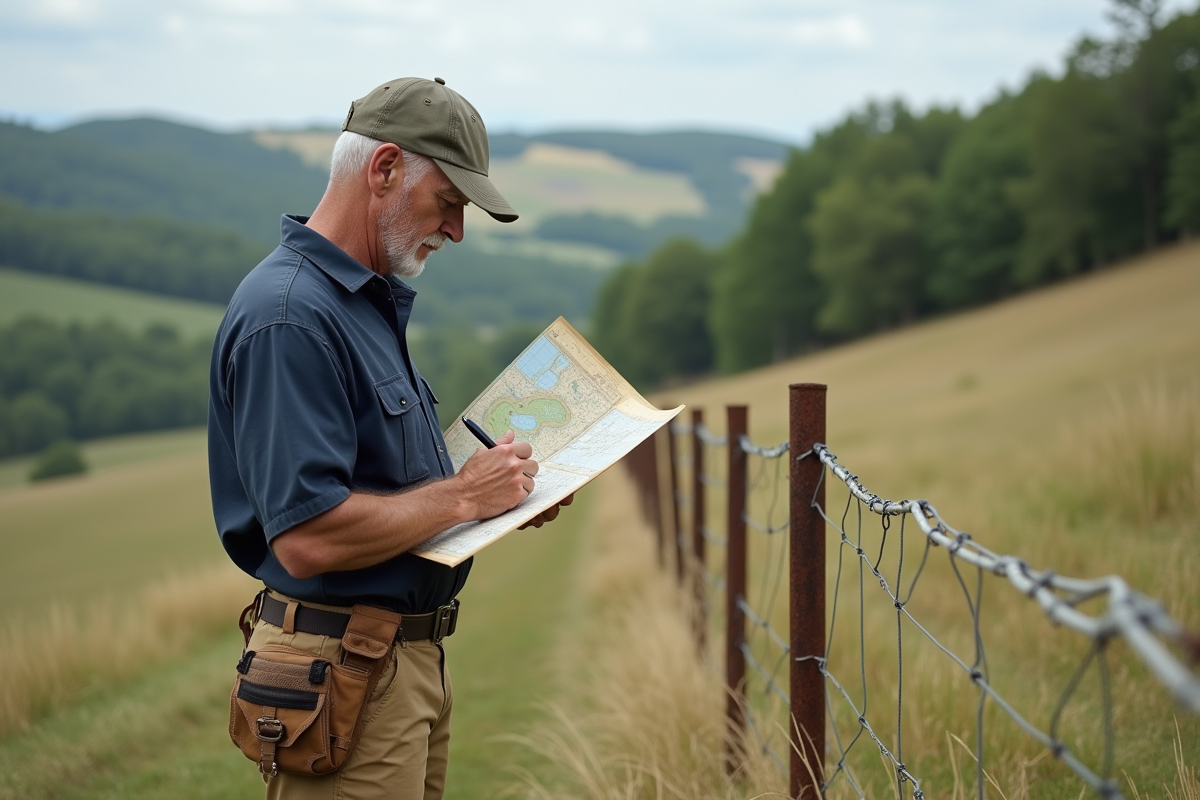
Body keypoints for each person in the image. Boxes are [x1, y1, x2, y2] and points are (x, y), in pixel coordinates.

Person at [208, 76, 571, 800]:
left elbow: (386, 484)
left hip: (391, 667)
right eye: (450, 203)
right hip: (341, 670)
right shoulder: (291, 316)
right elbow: (307, 538)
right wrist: (464, 497)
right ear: (384, 170)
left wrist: (491, 494)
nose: (457, 231)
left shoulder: (355, 302)